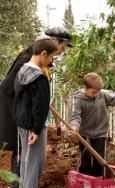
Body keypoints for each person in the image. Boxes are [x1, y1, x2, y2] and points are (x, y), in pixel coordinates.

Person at [0, 26, 73, 188]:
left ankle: (20, 184)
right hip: (15, 106)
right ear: (54, 42)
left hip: (21, 106)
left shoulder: (34, 55)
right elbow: (15, 87)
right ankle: (18, 185)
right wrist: (35, 102)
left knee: (23, 151)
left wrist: (38, 98)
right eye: (64, 46)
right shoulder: (28, 60)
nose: (63, 50)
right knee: (22, 151)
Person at [69, 72, 115, 179]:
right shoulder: (79, 100)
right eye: (93, 92)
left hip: (100, 134)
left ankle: (99, 181)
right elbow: (76, 116)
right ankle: (83, 180)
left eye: (98, 92)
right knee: (85, 158)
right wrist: (74, 126)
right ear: (85, 87)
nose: (96, 94)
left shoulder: (103, 94)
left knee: (100, 160)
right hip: (84, 135)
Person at [13, 35, 58, 188]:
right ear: (44, 53)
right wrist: (37, 129)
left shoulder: (22, 70)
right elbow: (40, 106)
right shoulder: (39, 77)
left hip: (23, 124)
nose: (51, 61)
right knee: (35, 165)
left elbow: (19, 100)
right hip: (33, 127)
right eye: (51, 57)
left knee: (26, 163)